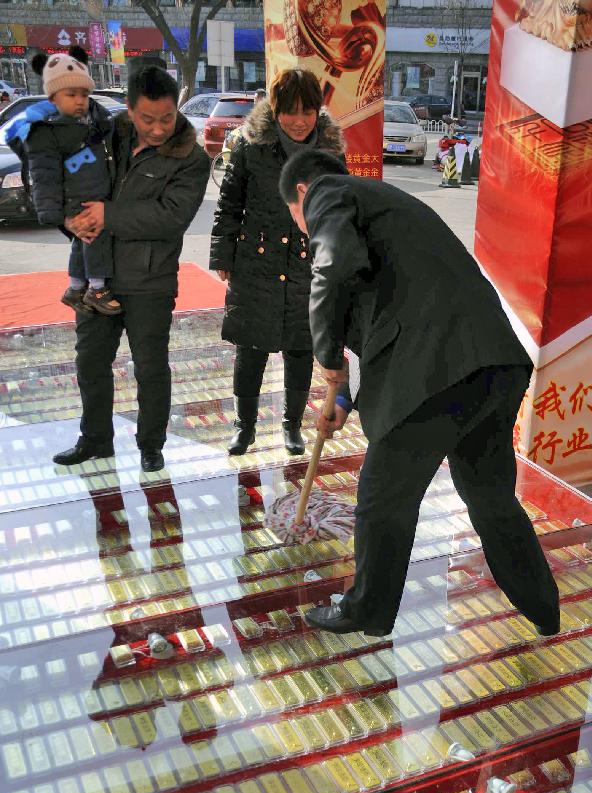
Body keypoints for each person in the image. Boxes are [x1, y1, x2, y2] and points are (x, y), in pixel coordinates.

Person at [279, 149, 561, 639]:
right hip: (492, 363)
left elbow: (335, 266)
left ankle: (366, 609)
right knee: (489, 496)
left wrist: (326, 358)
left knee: (383, 496)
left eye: (298, 222)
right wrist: (343, 400)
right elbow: (387, 324)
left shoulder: (327, 191)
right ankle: (543, 606)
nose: (306, 232)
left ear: (301, 194)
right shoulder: (388, 210)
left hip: (439, 373)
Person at [52, 66, 210, 473]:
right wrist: (70, 217)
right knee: (89, 361)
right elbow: (72, 180)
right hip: (94, 275)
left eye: (167, 118)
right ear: (129, 109)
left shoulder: (191, 157)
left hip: (149, 281)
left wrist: (107, 215)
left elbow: (170, 217)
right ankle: (95, 439)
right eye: (147, 119)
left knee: (151, 367)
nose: (158, 129)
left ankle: (150, 444)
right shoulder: (104, 136)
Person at [210, 68, 344, 456]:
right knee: (250, 349)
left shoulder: (330, 151)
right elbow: (228, 204)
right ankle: (244, 426)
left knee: (301, 348)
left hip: (307, 265)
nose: (300, 121)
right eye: (290, 111)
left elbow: (340, 210)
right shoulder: (250, 146)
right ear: (275, 108)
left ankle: (291, 426)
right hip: (256, 261)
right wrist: (223, 253)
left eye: (308, 111)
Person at [6, 46, 119, 315]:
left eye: (84, 94)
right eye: (71, 95)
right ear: (53, 98)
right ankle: (97, 288)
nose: (80, 100)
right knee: (94, 237)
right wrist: (55, 214)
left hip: (90, 192)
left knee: (82, 243)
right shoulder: (45, 131)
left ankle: (75, 286)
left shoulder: (90, 120)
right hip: (76, 198)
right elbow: (44, 175)